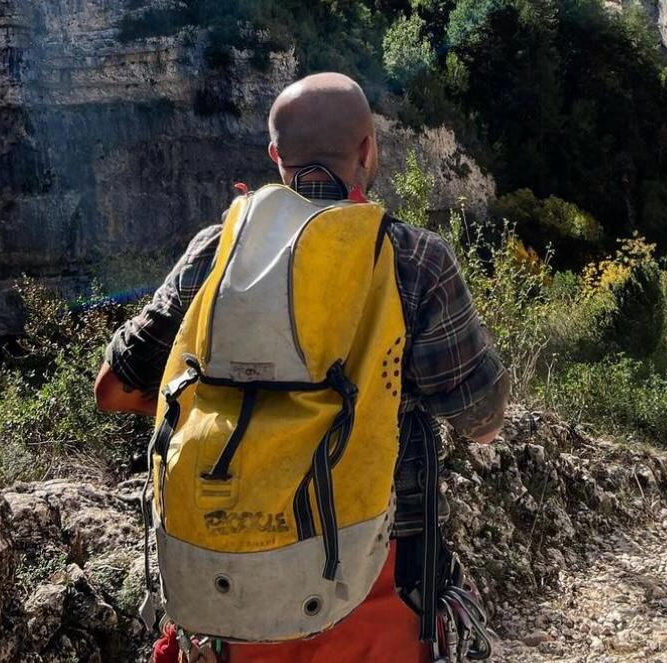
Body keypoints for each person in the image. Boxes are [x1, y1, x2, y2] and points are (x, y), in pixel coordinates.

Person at [94, 73, 510, 663]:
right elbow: (482, 418)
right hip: (378, 576)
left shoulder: (217, 252)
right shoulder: (414, 261)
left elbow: (113, 390)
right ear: (368, 149)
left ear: (275, 157)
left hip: (228, 573)